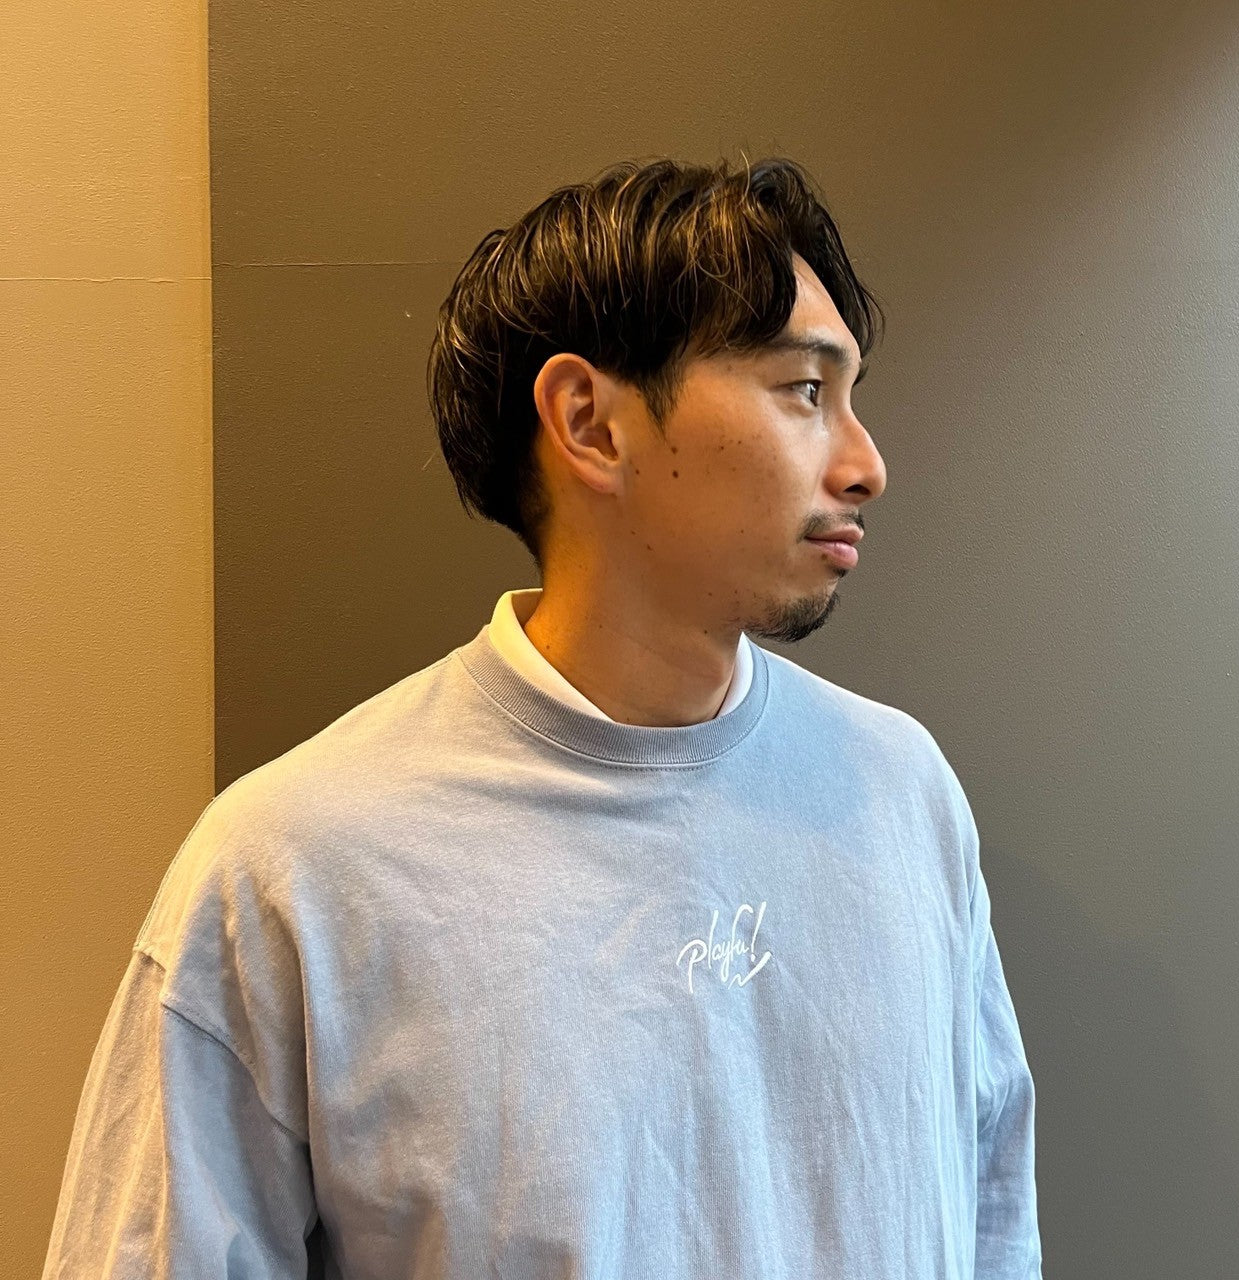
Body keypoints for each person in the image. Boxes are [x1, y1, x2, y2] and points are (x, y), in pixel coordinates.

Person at [41, 155, 1042, 1278]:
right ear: (588, 422)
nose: (866, 465)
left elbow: (991, 1212)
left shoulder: (900, 789)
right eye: (805, 390)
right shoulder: (294, 868)